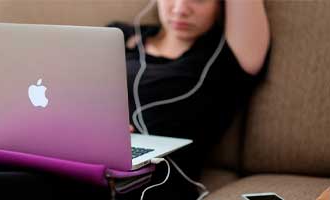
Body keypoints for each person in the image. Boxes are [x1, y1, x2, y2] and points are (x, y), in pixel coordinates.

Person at [107, 0, 271, 199]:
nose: (180, 9)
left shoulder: (225, 56)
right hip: (85, 157)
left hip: (151, 182)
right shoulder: (117, 35)